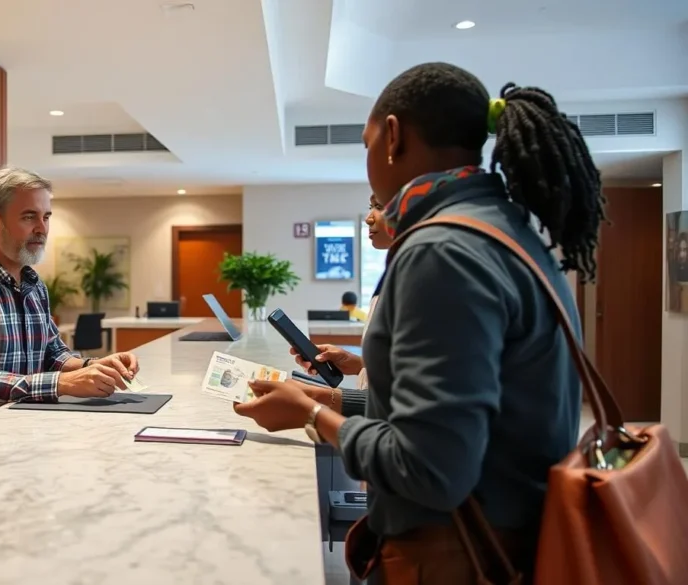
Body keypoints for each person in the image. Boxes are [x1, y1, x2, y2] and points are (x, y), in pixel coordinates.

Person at [235, 62, 597, 583]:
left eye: (366, 141)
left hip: (460, 555)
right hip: (513, 536)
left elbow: (429, 470)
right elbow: (462, 407)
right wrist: (331, 398)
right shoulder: (504, 232)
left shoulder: (442, 250)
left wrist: (313, 417)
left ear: (393, 136)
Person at [0, 167, 140, 433]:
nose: (42, 229)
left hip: (29, 430)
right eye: (29, 217)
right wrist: (63, 383)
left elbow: (53, 353)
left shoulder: (34, 285)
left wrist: (94, 366)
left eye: (46, 217)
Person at [291, 193, 394, 416]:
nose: (368, 218)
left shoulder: (426, 282)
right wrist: (358, 364)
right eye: (370, 207)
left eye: (379, 206)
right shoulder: (394, 273)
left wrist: (315, 397)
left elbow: (409, 398)